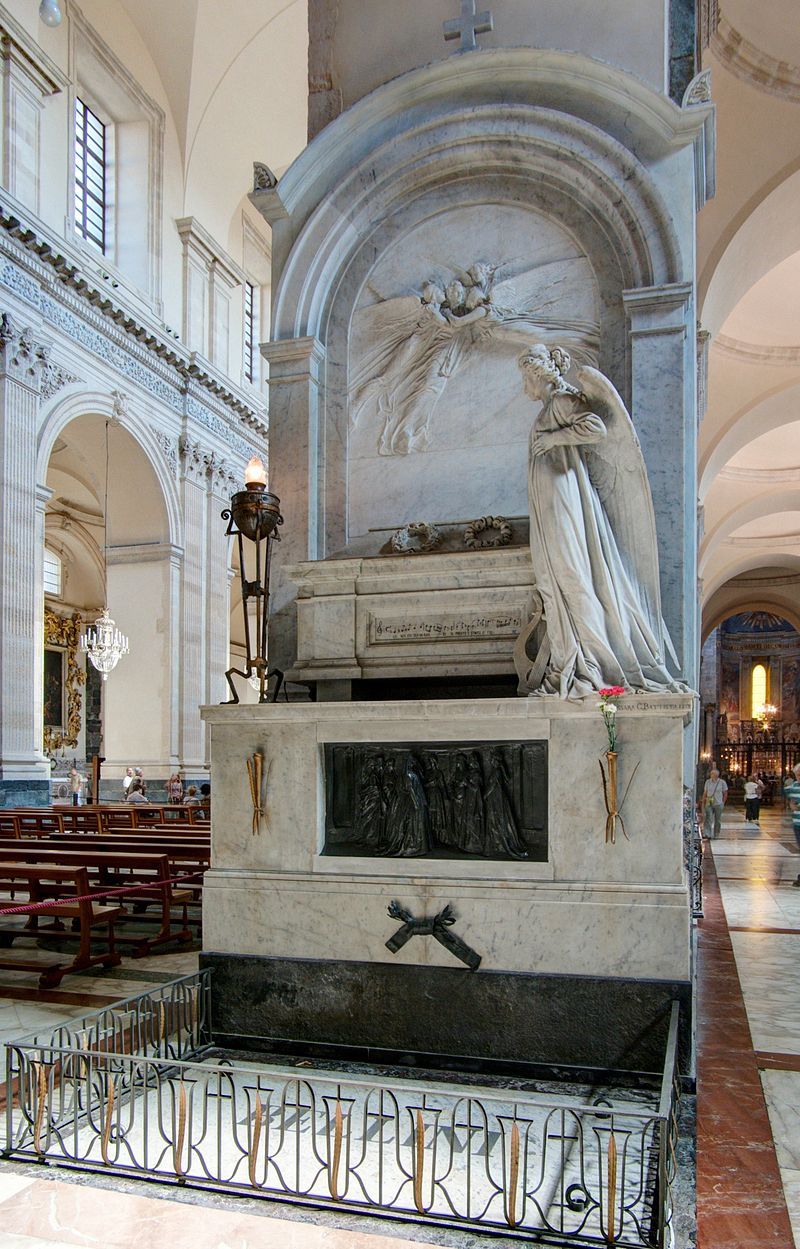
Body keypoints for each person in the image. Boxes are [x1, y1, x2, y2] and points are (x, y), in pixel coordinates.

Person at [518, 344, 684, 698]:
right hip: (549, 505)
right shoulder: (550, 406)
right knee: (554, 581)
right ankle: (569, 659)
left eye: (526, 378)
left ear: (538, 374)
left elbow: (597, 426)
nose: (524, 387)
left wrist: (553, 438)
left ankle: (593, 660)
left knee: (572, 576)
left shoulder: (562, 400)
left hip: (565, 504)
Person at [702, 769, 728, 840]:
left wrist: (723, 802)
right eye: (711, 774)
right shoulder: (707, 782)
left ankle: (716, 833)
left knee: (717, 819)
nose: (711, 775)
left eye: (712, 774)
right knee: (708, 818)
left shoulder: (722, 782)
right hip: (709, 802)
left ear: (716, 775)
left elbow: (725, 793)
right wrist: (703, 801)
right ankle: (707, 833)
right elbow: (705, 792)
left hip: (718, 803)